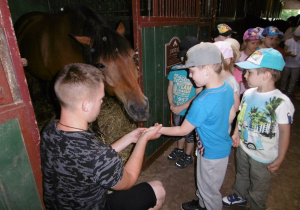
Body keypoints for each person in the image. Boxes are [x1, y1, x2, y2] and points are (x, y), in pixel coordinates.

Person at [40, 63, 166, 210]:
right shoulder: (98, 156)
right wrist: (143, 141)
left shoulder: (49, 129)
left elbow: (91, 160)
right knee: (158, 189)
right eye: (100, 99)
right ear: (86, 105)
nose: (101, 103)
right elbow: (129, 178)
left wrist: (130, 138)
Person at [159, 42, 236, 210]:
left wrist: (158, 130)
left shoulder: (202, 101)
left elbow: (183, 130)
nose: (190, 76)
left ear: (207, 69)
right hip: (215, 148)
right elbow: (231, 114)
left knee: (210, 191)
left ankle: (209, 205)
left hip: (211, 153)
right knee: (205, 183)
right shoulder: (227, 88)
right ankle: (202, 204)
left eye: (192, 71)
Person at [222, 48, 295, 210]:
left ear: (266, 75)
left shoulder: (281, 102)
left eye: (249, 72)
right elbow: (241, 116)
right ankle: (240, 195)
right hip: (244, 148)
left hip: (263, 156)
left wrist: (280, 157)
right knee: (242, 174)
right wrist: (236, 134)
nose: (245, 76)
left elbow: (284, 133)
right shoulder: (248, 94)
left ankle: (256, 205)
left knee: (259, 183)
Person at [167, 36, 202, 168]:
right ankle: (179, 150)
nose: (185, 60)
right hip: (176, 109)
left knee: (189, 135)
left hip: (189, 110)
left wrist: (182, 106)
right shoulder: (175, 70)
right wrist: (172, 104)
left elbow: (198, 94)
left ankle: (188, 155)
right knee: (178, 131)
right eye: (184, 57)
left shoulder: (197, 72)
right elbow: (170, 87)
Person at [236, 28, 261, 95]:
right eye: (253, 43)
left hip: (253, 89)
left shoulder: (259, 56)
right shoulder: (238, 55)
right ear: (245, 43)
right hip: (240, 89)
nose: (256, 45)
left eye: (258, 43)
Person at [280, 25, 300, 96]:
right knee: (284, 78)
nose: (296, 39)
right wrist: (289, 54)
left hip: (297, 64)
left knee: (293, 79)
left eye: (298, 37)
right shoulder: (288, 41)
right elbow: (284, 51)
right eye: (295, 37)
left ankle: (290, 91)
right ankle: (282, 89)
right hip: (287, 63)